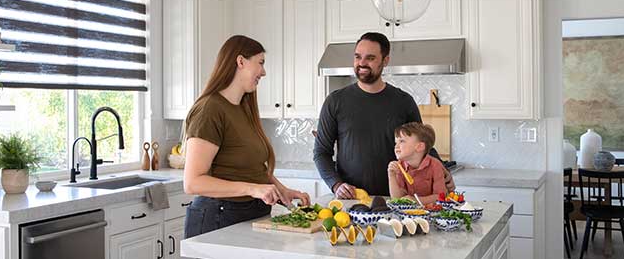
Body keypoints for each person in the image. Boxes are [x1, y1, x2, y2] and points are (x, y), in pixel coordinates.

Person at [183, 35, 310, 239]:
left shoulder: (244, 108)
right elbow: (192, 183)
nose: (264, 72)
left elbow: (253, 168)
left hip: (248, 215)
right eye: (260, 63)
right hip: (218, 218)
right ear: (240, 61)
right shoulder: (210, 109)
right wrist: (254, 189)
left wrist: (282, 192)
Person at [313, 32, 456, 199]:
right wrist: (336, 184)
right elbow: (321, 152)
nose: (362, 63)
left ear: (385, 60)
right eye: (358, 57)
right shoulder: (335, 102)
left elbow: (423, 145)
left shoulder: (403, 102)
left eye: (370, 58)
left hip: (397, 200)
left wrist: (442, 170)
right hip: (352, 200)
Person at [388, 122, 447, 204]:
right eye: (396, 142)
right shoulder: (399, 167)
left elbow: (441, 196)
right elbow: (397, 199)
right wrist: (392, 176)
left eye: (401, 141)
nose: (396, 146)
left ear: (419, 147)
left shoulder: (435, 165)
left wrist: (416, 201)